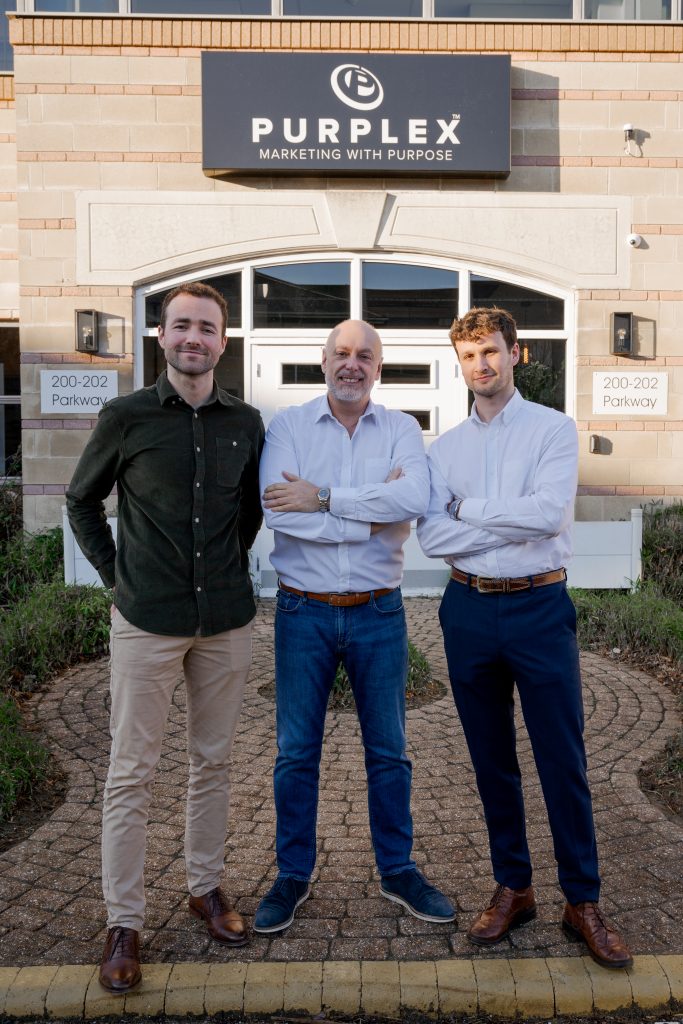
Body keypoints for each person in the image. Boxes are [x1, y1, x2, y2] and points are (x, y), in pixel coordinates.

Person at [417, 307, 633, 970]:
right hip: (466, 610)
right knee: (491, 762)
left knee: (561, 760)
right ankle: (515, 888)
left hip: (540, 605)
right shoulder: (443, 449)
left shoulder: (552, 429)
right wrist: (494, 526)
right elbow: (431, 536)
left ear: (516, 354)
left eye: (490, 352)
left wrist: (471, 513)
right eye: (468, 357)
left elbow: (546, 516)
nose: (480, 366)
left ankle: (581, 901)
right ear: (459, 366)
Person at [66, 282, 264, 993]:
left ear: (222, 339)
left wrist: (223, 571)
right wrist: (120, 580)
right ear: (161, 335)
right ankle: (124, 921)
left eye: (206, 328)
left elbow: (246, 515)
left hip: (226, 624)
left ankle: (205, 888)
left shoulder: (246, 420)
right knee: (131, 772)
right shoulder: (124, 416)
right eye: (181, 325)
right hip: (145, 621)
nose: (193, 338)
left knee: (212, 763)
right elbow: (80, 500)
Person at [255, 318, 456, 934]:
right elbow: (277, 511)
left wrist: (322, 499)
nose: (352, 364)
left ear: (378, 366)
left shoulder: (401, 428)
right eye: (341, 353)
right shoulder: (287, 426)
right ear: (323, 361)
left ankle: (397, 868)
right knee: (295, 753)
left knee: (390, 751)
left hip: (378, 610)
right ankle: (293, 874)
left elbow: (412, 504)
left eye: (364, 355)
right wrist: (372, 513)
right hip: (302, 610)